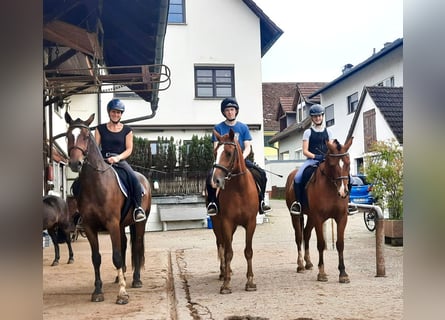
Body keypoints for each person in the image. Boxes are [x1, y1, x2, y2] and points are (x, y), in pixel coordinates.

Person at [206, 97, 271, 216]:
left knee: (261, 173)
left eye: (232, 109)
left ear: (236, 111)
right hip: (225, 161)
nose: (230, 112)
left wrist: (241, 158)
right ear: (224, 112)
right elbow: (216, 147)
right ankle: (213, 203)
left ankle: (261, 201)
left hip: (241, 160)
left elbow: (247, 147)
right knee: (210, 176)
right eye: (227, 110)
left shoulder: (243, 127)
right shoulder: (218, 128)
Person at [95, 98, 146, 222]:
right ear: (109, 112)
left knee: (134, 179)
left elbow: (129, 149)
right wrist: (102, 160)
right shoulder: (100, 129)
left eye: (118, 112)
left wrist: (117, 158)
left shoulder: (127, 130)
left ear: (121, 114)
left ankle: (138, 208)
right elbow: (96, 147)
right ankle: (80, 213)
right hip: (103, 160)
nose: (116, 114)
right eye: (114, 112)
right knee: (82, 179)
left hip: (119, 160)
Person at [290, 104, 334, 215]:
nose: (318, 118)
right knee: (298, 177)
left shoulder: (328, 132)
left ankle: (346, 203)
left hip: (326, 161)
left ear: (322, 116)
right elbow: (305, 151)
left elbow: (332, 148)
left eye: (319, 116)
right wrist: (316, 156)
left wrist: (328, 156)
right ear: (312, 118)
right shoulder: (308, 132)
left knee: (346, 176)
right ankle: (298, 203)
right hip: (312, 160)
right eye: (315, 116)